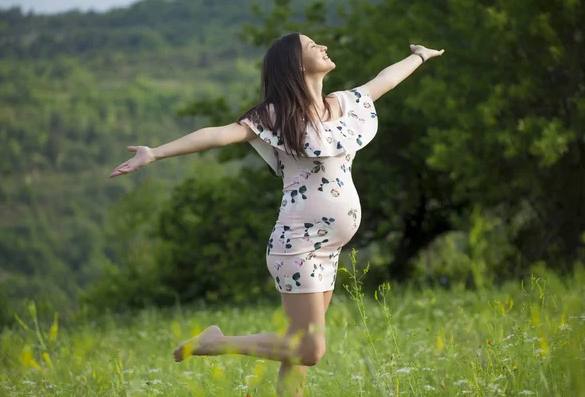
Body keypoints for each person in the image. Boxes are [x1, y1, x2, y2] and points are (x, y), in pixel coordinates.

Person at [109, 33, 444, 396]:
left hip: (327, 250)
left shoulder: (345, 105)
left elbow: (386, 79)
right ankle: (216, 342)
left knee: (296, 358)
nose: (324, 47)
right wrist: (155, 153)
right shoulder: (276, 116)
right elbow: (218, 135)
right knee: (309, 351)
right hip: (296, 246)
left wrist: (420, 57)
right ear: (296, 65)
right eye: (313, 46)